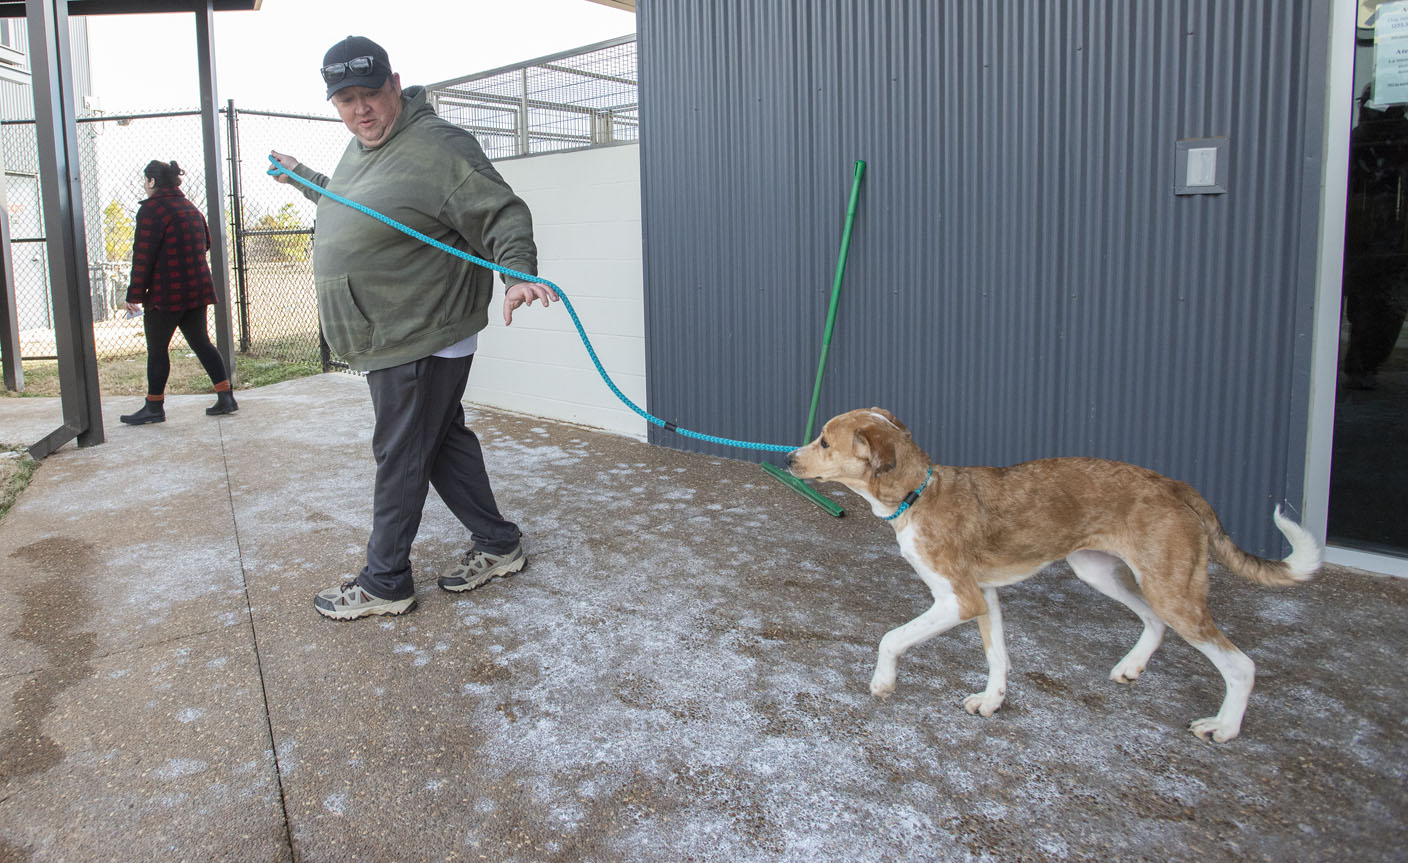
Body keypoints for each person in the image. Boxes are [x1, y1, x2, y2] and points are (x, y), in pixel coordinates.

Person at [270, 35, 558, 621]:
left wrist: (517, 275)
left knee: (401, 453)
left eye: (370, 95)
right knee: (441, 443)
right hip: (393, 334)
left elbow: (502, 211)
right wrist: (304, 179)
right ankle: (499, 543)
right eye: (346, 100)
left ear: (395, 85)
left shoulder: (436, 145)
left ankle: (385, 579)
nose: (360, 110)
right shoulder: (366, 146)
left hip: (420, 332)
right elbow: (362, 205)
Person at [119, 159, 237, 425]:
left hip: (166, 294)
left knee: (158, 349)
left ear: (152, 181)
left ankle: (154, 406)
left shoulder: (152, 210)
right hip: (196, 289)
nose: (145, 185)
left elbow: (143, 256)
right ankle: (225, 396)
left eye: (145, 180)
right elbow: (205, 243)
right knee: (201, 342)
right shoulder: (190, 208)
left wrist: (134, 294)